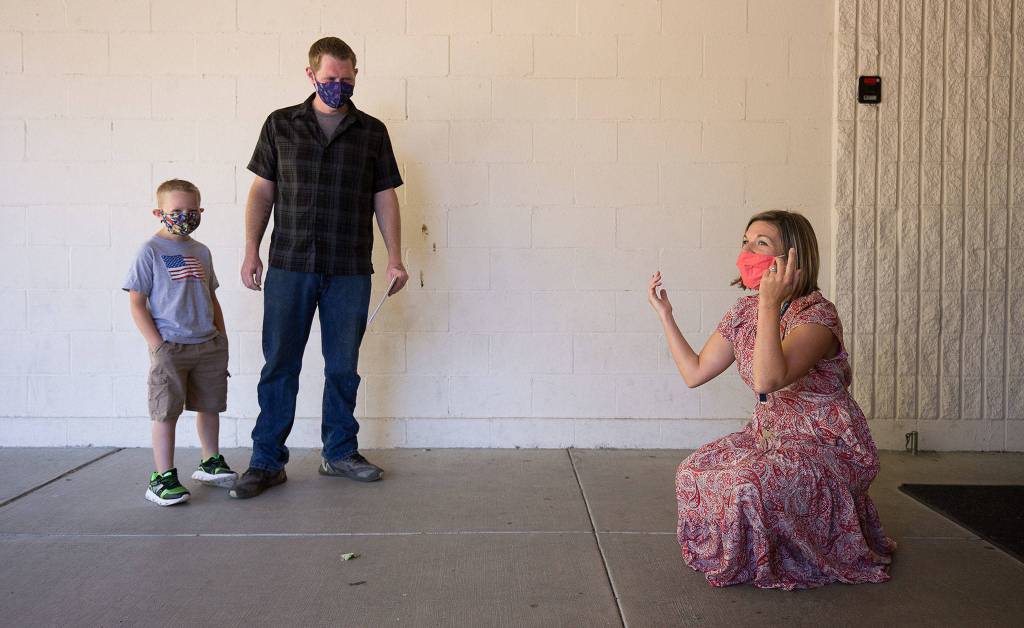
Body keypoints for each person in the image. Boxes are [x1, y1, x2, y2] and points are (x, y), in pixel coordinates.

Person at [648, 210, 895, 589]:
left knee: (747, 483)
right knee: (692, 471)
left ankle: (785, 551)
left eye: (760, 244)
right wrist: (666, 316)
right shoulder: (744, 312)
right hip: (769, 434)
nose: (747, 252)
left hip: (824, 443)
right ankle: (741, 553)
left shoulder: (816, 317)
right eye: (745, 242)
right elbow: (694, 372)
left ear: (793, 257)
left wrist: (768, 303)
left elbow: (768, 379)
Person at [230, 37, 408, 499]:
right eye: (330, 80)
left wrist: (395, 256)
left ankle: (340, 452)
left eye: (346, 80)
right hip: (290, 264)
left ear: (355, 75)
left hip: (349, 267)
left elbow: (384, 195)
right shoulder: (280, 125)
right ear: (310, 75)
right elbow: (261, 193)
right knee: (280, 365)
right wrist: (252, 250)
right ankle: (266, 461)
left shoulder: (372, 132)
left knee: (343, 367)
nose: (338, 87)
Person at [123, 179, 238, 506]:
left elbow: (211, 297)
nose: (184, 216)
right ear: (159, 212)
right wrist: (157, 345)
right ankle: (162, 477)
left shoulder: (201, 251)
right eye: (176, 211)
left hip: (208, 344)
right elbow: (136, 303)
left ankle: (210, 461)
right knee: (166, 411)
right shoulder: (150, 251)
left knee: (210, 404)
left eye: (191, 210)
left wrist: (222, 336)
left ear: (201, 211)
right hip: (170, 346)